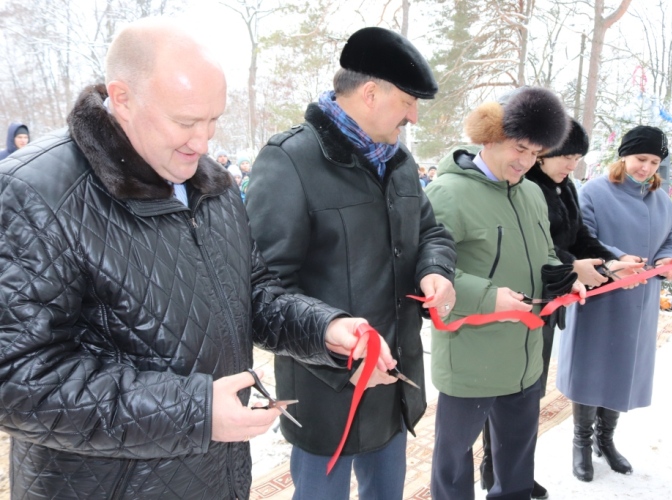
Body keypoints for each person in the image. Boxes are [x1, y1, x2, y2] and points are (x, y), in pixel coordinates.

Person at [0, 18, 396, 500]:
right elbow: (19, 381)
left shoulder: (212, 186)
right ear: (122, 98)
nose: (203, 142)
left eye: (213, 121)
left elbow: (253, 294)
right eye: (186, 122)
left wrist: (325, 329)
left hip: (215, 477)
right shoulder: (35, 193)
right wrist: (195, 410)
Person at [246, 26, 457, 500]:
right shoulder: (290, 161)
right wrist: (336, 335)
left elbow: (432, 233)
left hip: (393, 381)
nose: (414, 117)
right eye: (408, 102)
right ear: (369, 94)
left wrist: (435, 270)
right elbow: (263, 288)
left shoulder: (398, 162)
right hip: (327, 392)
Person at [425, 87, 586, 500]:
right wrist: (487, 296)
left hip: (525, 358)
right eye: (519, 148)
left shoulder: (531, 193)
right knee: (454, 462)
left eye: (535, 153)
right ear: (492, 136)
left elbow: (546, 253)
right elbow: (425, 270)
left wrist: (566, 277)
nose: (525, 161)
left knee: (516, 462)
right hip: (471, 355)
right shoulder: (448, 193)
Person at [477, 117, 643, 498]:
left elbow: (579, 237)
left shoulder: (564, 187)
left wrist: (610, 262)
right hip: (518, 302)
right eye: (565, 156)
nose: (572, 165)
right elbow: (540, 250)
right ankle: (493, 468)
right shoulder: (524, 186)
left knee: (528, 391)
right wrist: (583, 266)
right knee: (504, 391)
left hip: (548, 304)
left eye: (577, 158)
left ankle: (514, 469)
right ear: (543, 153)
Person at [557, 125, 672, 482]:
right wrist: (615, 261)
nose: (646, 168)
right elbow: (584, 238)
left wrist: (667, 260)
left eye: (654, 162)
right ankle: (581, 442)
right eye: (641, 158)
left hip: (639, 305)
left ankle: (606, 440)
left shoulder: (662, 200)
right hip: (598, 299)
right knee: (590, 369)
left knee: (621, 371)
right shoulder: (595, 191)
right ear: (624, 155)